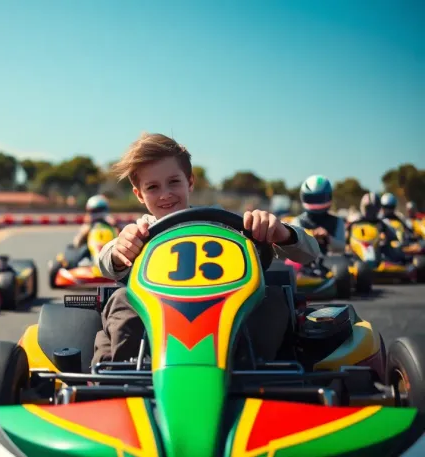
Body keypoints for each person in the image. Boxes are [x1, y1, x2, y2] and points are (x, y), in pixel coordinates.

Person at [91, 133, 321, 366]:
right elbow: (105, 261)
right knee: (122, 298)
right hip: (159, 315)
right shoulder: (141, 232)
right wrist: (121, 251)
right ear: (139, 194)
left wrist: (281, 232)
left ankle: (251, 377)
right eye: (152, 187)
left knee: (271, 298)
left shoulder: (226, 224)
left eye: (174, 182)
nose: (165, 194)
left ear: (190, 181)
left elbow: (310, 252)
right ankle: (125, 380)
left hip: (225, 310)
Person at [288, 175, 346, 255]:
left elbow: (342, 247)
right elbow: (292, 248)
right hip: (304, 265)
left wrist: (328, 238)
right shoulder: (297, 221)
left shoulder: (337, 221)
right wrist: (310, 237)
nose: (315, 202)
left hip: (331, 264)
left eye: (319, 198)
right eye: (311, 198)